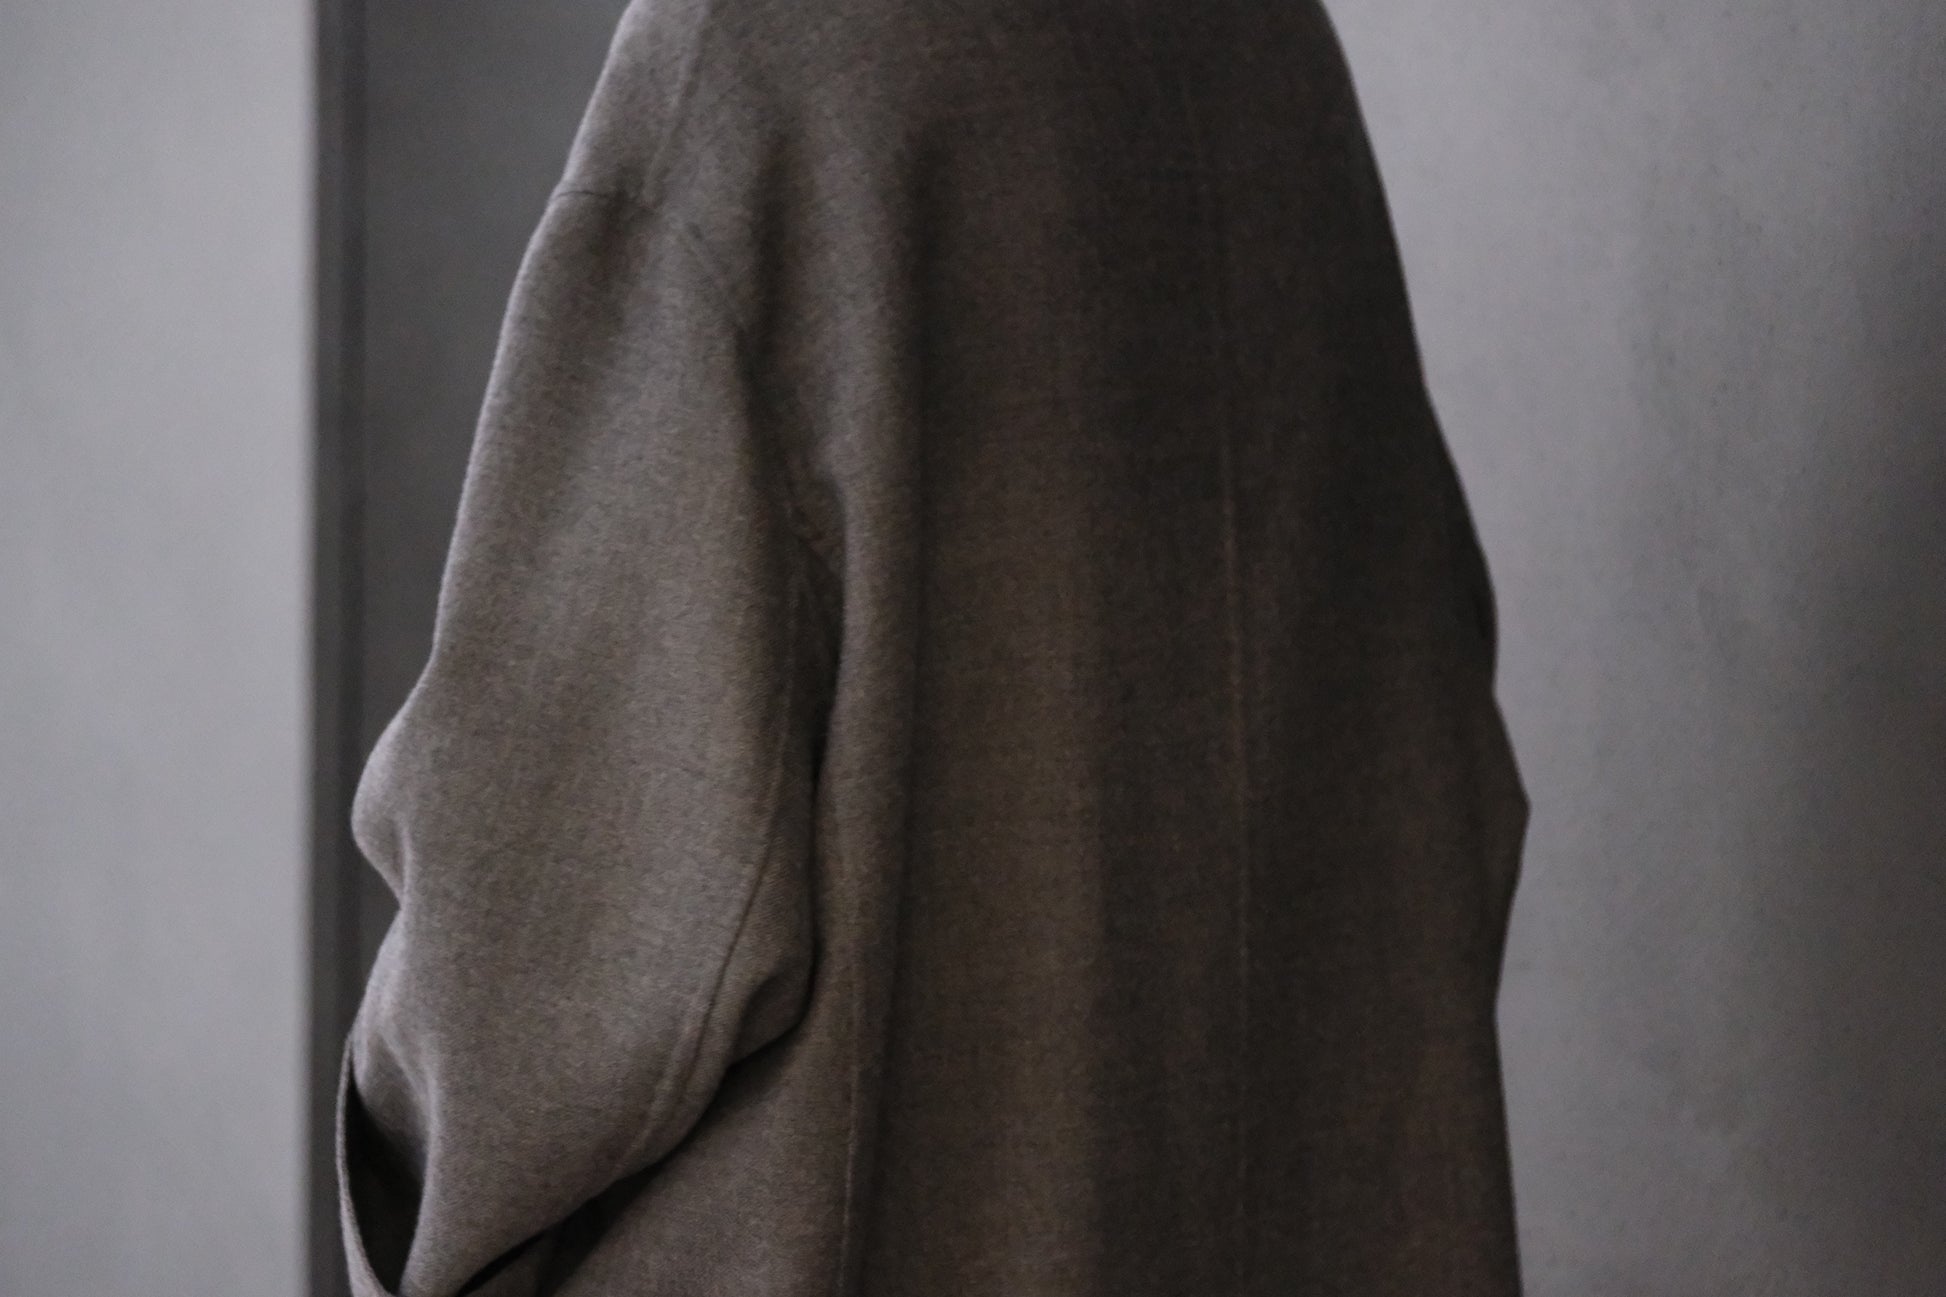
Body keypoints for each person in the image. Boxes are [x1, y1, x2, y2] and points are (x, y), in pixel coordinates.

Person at [335, 0, 1532, 1293]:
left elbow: (537, 945)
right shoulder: (1267, 44)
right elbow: (1436, 759)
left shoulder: (761, 58)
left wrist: (398, 1144)